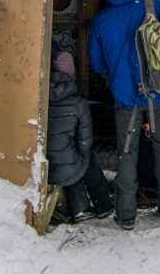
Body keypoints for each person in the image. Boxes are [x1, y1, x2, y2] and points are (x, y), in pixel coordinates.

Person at [87, 0, 160, 229]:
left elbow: (96, 64)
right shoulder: (153, 6)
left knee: (127, 154)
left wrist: (119, 73)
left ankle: (127, 215)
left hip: (125, 99)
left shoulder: (101, 19)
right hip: (158, 94)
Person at [47, 49, 113, 223]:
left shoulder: (41, 97)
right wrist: (82, 153)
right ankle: (100, 205)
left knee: (67, 158)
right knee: (84, 160)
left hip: (46, 163)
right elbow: (85, 141)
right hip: (66, 166)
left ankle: (81, 206)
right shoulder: (78, 104)